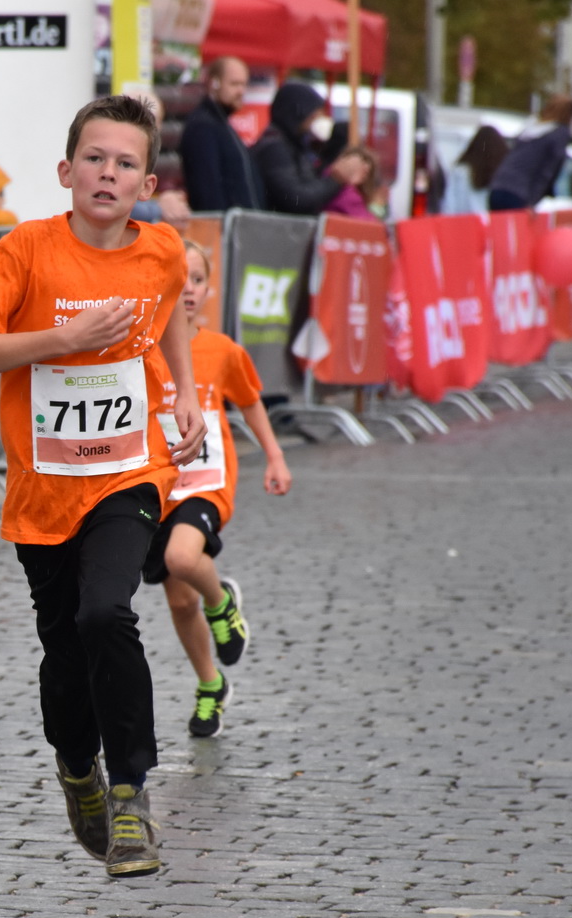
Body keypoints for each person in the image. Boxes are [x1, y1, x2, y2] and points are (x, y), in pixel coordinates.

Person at [0, 94, 208, 879]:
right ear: (66, 171)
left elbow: (169, 320)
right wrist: (62, 339)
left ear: (146, 182)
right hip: (44, 483)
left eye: (125, 162)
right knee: (63, 650)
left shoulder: (160, 250)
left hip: (129, 470)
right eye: (95, 158)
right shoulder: (27, 250)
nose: (108, 172)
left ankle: (130, 791)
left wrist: (188, 391)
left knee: (107, 610)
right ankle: (77, 769)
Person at [141, 240, 289, 738]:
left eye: (197, 280)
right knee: (180, 602)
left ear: (209, 288)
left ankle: (222, 602)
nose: (187, 289)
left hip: (206, 484)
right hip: (156, 487)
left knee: (185, 559)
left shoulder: (222, 350)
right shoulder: (142, 347)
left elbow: (250, 402)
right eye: (178, 280)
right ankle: (211, 685)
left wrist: (275, 455)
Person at [249, 82, 365, 216]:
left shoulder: (292, 144)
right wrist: (335, 179)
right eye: (312, 115)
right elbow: (295, 199)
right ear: (297, 112)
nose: (314, 120)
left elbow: (307, 183)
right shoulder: (274, 149)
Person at [180, 55, 262, 213]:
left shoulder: (220, 123)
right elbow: (207, 189)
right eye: (234, 84)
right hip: (223, 232)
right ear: (214, 83)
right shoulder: (203, 127)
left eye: (244, 84)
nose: (241, 91)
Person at [487, 95, 572, 212]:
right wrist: (532, 201)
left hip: (498, 187)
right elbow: (548, 171)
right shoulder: (559, 133)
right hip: (520, 192)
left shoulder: (531, 126)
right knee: (517, 229)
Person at [441, 124, 508, 215]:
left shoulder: (460, 172)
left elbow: (449, 206)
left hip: (464, 225)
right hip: (493, 225)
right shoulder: (504, 173)